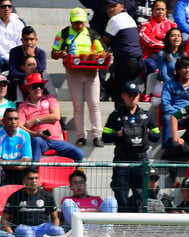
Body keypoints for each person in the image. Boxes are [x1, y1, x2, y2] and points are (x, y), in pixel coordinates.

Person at [52, 8, 106, 147]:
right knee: (78, 106)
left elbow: (102, 51)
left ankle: (97, 136)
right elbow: (54, 52)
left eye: (81, 22)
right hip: (74, 73)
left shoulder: (91, 33)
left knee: (94, 104)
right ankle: (81, 136)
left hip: (91, 72)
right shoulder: (63, 33)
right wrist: (61, 54)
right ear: (71, 21)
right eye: (76, 23)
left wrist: (99, 57)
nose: (79, 25)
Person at [103, 82, 160, 212]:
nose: (133, 98)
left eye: (136, 95)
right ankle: (121, 228)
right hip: (122, 161)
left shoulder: (146, 115)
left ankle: (138, 228)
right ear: (123, 95)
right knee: (121, 196)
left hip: (141, 161)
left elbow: (157, 135)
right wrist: (118, 134)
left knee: (140, 196)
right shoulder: (115, 115)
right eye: (130, 95)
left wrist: (147, 132)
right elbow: (105, 137)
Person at [17, 73, 85, 162]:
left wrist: (34, 121)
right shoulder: (23, 106)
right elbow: (20, 127)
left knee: (79, 154)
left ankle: (74, 175)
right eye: (35, 86)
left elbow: (56, 116)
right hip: (40, 140)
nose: (39, 89)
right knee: (36, 141)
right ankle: (33, 172)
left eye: (41, 86)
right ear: (28, 89)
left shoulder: (50, 98)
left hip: (56, 140)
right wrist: (35, 134)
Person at [1, 167, 63, 237]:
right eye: (30, 179)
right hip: (23, 228)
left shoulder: (47, 196)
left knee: (58, 230)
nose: (34, 181)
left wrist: (54, 227)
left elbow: (55, 218)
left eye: (36, 178)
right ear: (24, 181)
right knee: (28, 232)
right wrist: (12, 234)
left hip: (42, 228)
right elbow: (4, 219)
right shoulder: (15, 197)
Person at [102, 0, 144, 107]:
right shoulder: (128, 17)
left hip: (126, 62)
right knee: (111, 86)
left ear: (121, 6)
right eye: (108, 6)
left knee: (120, 96)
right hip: (134, 62)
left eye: (114, 6)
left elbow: (104, 43)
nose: (111, 9)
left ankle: (122, 119)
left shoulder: (115, 20)